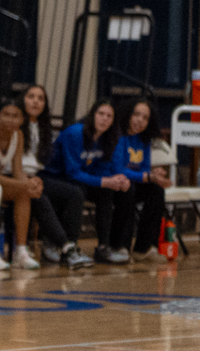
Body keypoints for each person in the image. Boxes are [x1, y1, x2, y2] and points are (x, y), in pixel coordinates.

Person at [0, 98, 62, 270]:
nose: (10, 119)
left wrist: (31, 183)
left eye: (16, 116)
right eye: (6, 114)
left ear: (22, 120)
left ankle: (20, 251)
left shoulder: (18, 135)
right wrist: (24, 184)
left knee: (23, 192)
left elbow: (18, 172)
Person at [53, 100, 133, 264]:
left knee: (108, 191)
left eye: (109, 116)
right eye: (100, 114)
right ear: (92, 115)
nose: (104, 119)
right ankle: (71, 247)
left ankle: (104, 247)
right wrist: (105, 181)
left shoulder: (106, 138)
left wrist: (116, 180)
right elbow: (72, 172)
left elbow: (101, 168)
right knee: (78, 192)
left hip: (79, 179)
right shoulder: (75, 133)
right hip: (56, 178)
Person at [25, 83, 92, 267]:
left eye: (41, 98)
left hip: (39, 175)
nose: (36, 101)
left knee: (75, 192)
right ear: (22, 100)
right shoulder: (16, 123)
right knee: (40, 196)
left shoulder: (43, 128)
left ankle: (71, 246)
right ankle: (65, 246)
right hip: (19, 177)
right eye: (31, 96)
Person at [110, 99, 171, 260]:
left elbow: (144, 169)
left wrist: (154, 174)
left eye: (145, 118)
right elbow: (118, 169)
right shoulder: (119, 136)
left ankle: (144, 247)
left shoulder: (144, 140)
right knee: (128, 189)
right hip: (113, 183)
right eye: (137, 115)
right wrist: (145, 176)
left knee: (156, 190)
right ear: (128, 115)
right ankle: (120, 246)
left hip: (134, 183)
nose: (140, 120)